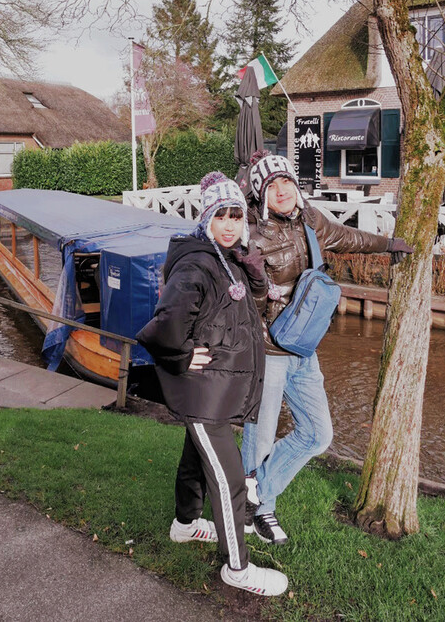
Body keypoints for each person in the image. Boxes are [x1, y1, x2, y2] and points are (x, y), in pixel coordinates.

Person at [242, 150, 413, 545]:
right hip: (267, 351)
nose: (283, 191)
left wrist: (389, 244)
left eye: (287, 182)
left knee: (318, 434)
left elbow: (349, 237)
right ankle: (256, 510)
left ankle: (253, 495)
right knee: (260, 438)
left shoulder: (310, 220)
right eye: (273, 186)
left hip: (303, 347)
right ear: (260, 193)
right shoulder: (250, 235)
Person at [137, 171, 288, 597]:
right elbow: (161, 327)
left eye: (236, 216)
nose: (229, 224)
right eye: (221, 215)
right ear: (206, 219)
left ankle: (185, 525)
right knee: (230, 480)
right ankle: (237, 569)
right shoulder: (197, 265)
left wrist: (252, 270)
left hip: (216, 391)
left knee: (193, 463)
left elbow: (239, 309)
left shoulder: (226, 259)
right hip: (205, 391)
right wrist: (182, 355)